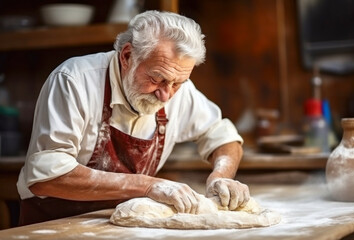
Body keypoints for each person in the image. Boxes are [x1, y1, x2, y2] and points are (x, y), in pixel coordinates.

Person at [17, 10, 250, 225]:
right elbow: (47, 177)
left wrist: (220, 176)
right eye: (156, 79)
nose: (166, 95)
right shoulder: (74, 80)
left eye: (177, 83)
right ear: (127, 56)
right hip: (53, 224)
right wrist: (148, 185)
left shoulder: (176, 87)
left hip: (124, 225)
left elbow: (221, 135)